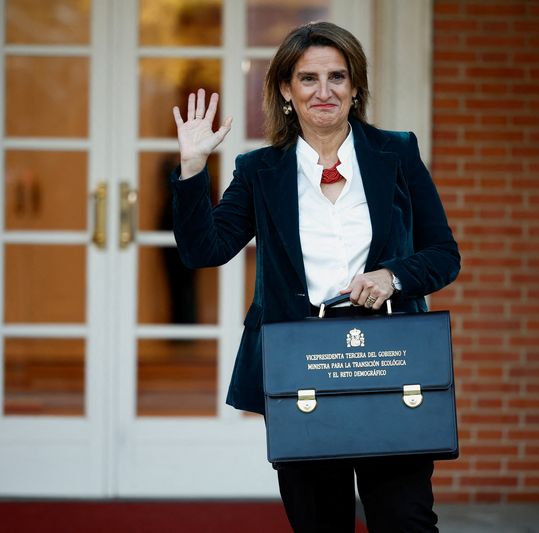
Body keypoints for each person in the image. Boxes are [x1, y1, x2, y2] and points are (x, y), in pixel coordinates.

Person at [170, 21, 459, 533]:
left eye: (337, 77)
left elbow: (443, 254)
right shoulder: (259, 170)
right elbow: (203, 250)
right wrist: (193, 167)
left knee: (406, 520)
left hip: (388, 364)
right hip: (301, 369)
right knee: (319, 523)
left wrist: (393, 275)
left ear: (355, 87)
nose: (323, 91)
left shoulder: (398, 153)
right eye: (308, 78)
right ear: (285, 89)